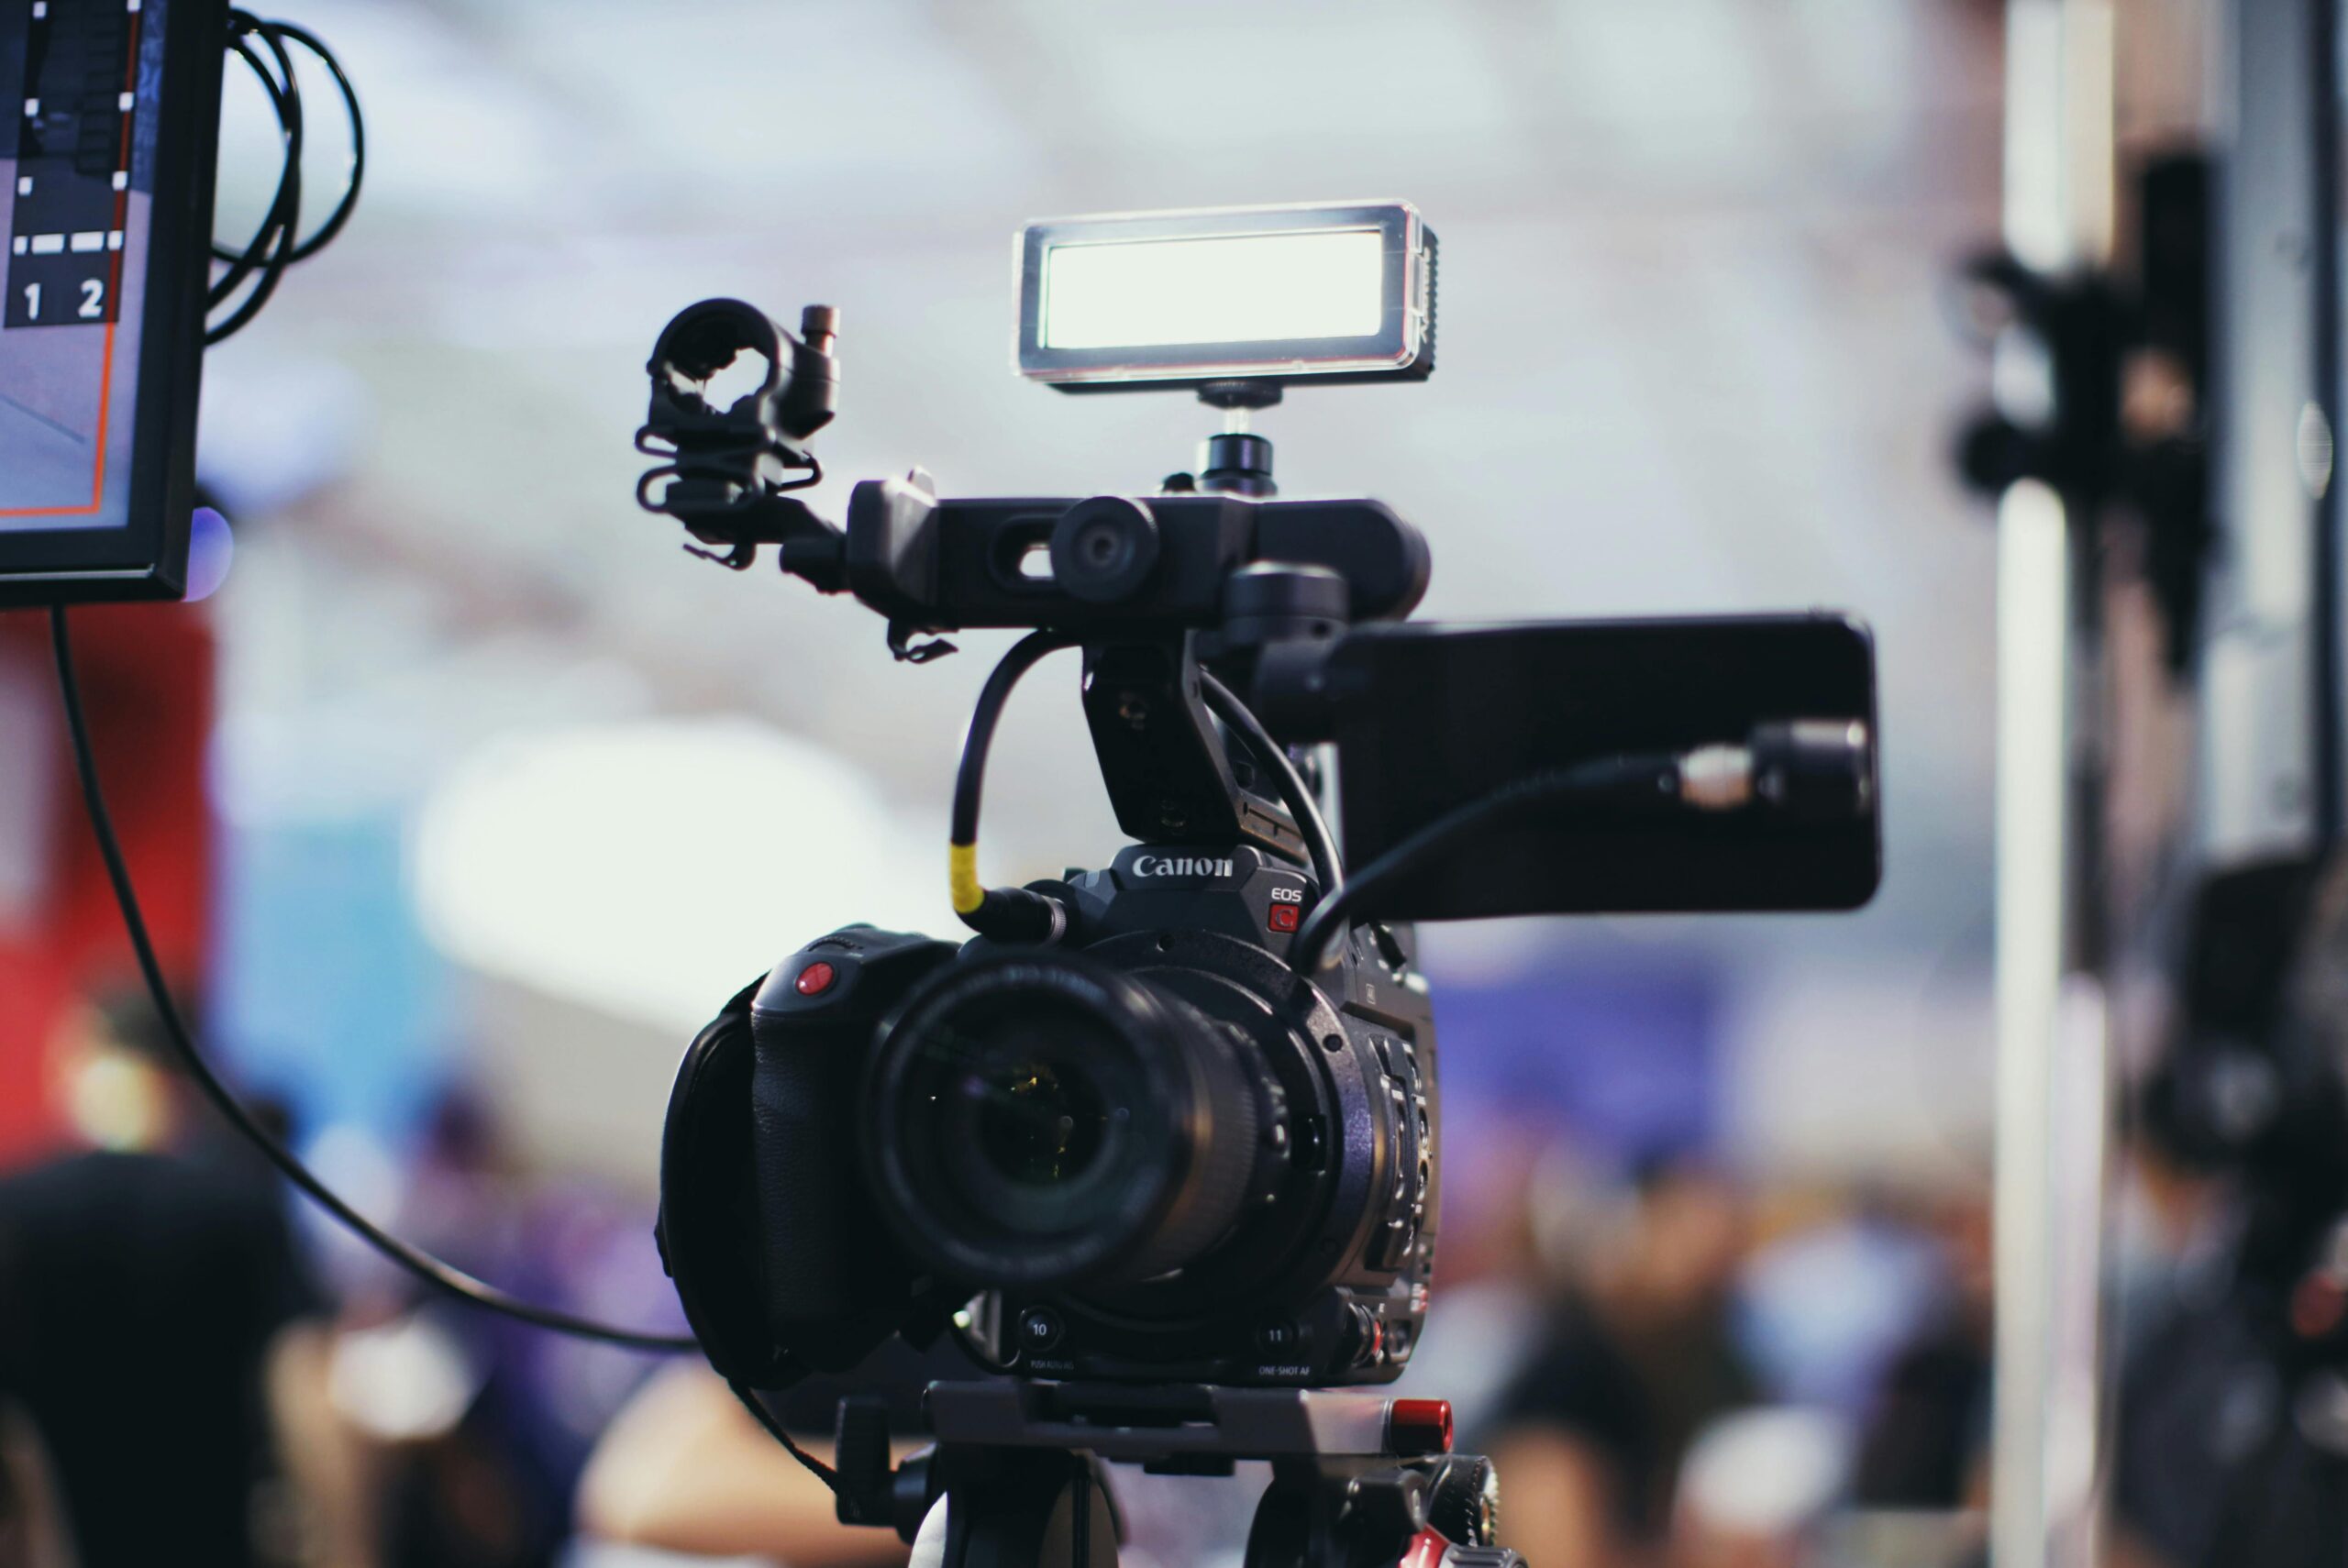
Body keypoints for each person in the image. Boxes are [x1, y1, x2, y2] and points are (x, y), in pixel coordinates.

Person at [0, 992, 371, 1568]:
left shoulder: (16, 1206)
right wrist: (351, 1550)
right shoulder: (240, 1205)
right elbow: (306, 1390)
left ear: (88, 1056)